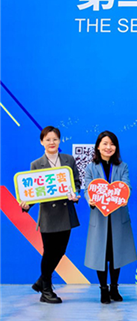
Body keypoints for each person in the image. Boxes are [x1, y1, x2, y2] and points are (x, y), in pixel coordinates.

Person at [21, 126, 81, 304]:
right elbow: (34, 191)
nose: (52, 142)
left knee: (61, 251)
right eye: (48, 139)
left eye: (55, 139)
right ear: (42, 142)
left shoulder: (69, 160)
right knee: (49, 252)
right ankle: (46, 290)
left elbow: (76, 182)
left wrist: (75, 194)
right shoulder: (36, 164)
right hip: (48, 215)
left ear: (60, 141)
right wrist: (27, 204)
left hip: (66, 213)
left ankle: (42, 281)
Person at [84, 131, 137, 304]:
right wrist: (90, 200)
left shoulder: (122, 166)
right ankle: (103, 289)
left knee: (116, 254)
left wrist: (124, 196)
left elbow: (126, 186)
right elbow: (88, 189)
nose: (108, 147)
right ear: (98, 146)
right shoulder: (91, 167)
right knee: (100, 255)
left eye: (112, 144)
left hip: (118, 217)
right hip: (99, 218)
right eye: (105, 143)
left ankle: (114, 287)